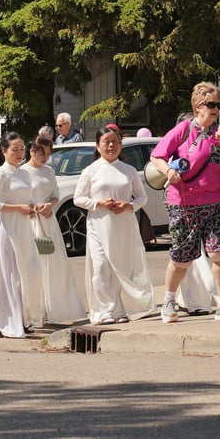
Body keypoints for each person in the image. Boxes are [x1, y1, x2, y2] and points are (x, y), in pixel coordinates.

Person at [152, 84, 220, 324]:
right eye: (211, 105)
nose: (215, 110)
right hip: (184, 202)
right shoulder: (183, 130)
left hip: (219, 202)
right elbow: (157, 155)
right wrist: (168, 171)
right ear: (197, 107)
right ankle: (169, 302)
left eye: (218, 106)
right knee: (182, 258)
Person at [73, 124, 156, 325]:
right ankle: (103, 310)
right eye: (106, 142)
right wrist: (98, 203)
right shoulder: (90, 171)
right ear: (98, 146)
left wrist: (129, 205)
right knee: (101, 266)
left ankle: (121, 310)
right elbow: (78, 198)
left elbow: (142, 197)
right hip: (99, 224)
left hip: (124, 225)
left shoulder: (128, 170)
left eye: (115, 142)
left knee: (123, 266)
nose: (111, 146)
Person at [0, 133, 47, 337]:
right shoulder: (1, 174)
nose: (19, 154)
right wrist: (18, 208)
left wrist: (34, 207)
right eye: (14, 150)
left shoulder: (25, 173)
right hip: (7, 228)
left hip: (25, 228)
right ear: (4, 151)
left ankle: (25, 317)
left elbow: (28, 198)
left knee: (30, 273)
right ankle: (8, 321)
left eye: (22, 150)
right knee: (11, 276)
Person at [24, 133, 86, 325]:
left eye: (48, 154)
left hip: (48, 221)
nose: (45, 158)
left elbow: (56, 194)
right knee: (35, 264)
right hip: (31, 222)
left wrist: (50, 205)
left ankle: (55, 306)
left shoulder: (49, 171)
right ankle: (36, 308)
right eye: (42, 153)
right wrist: (33, 208)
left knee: (52, 262)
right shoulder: (23, 172)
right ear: (33, 152)